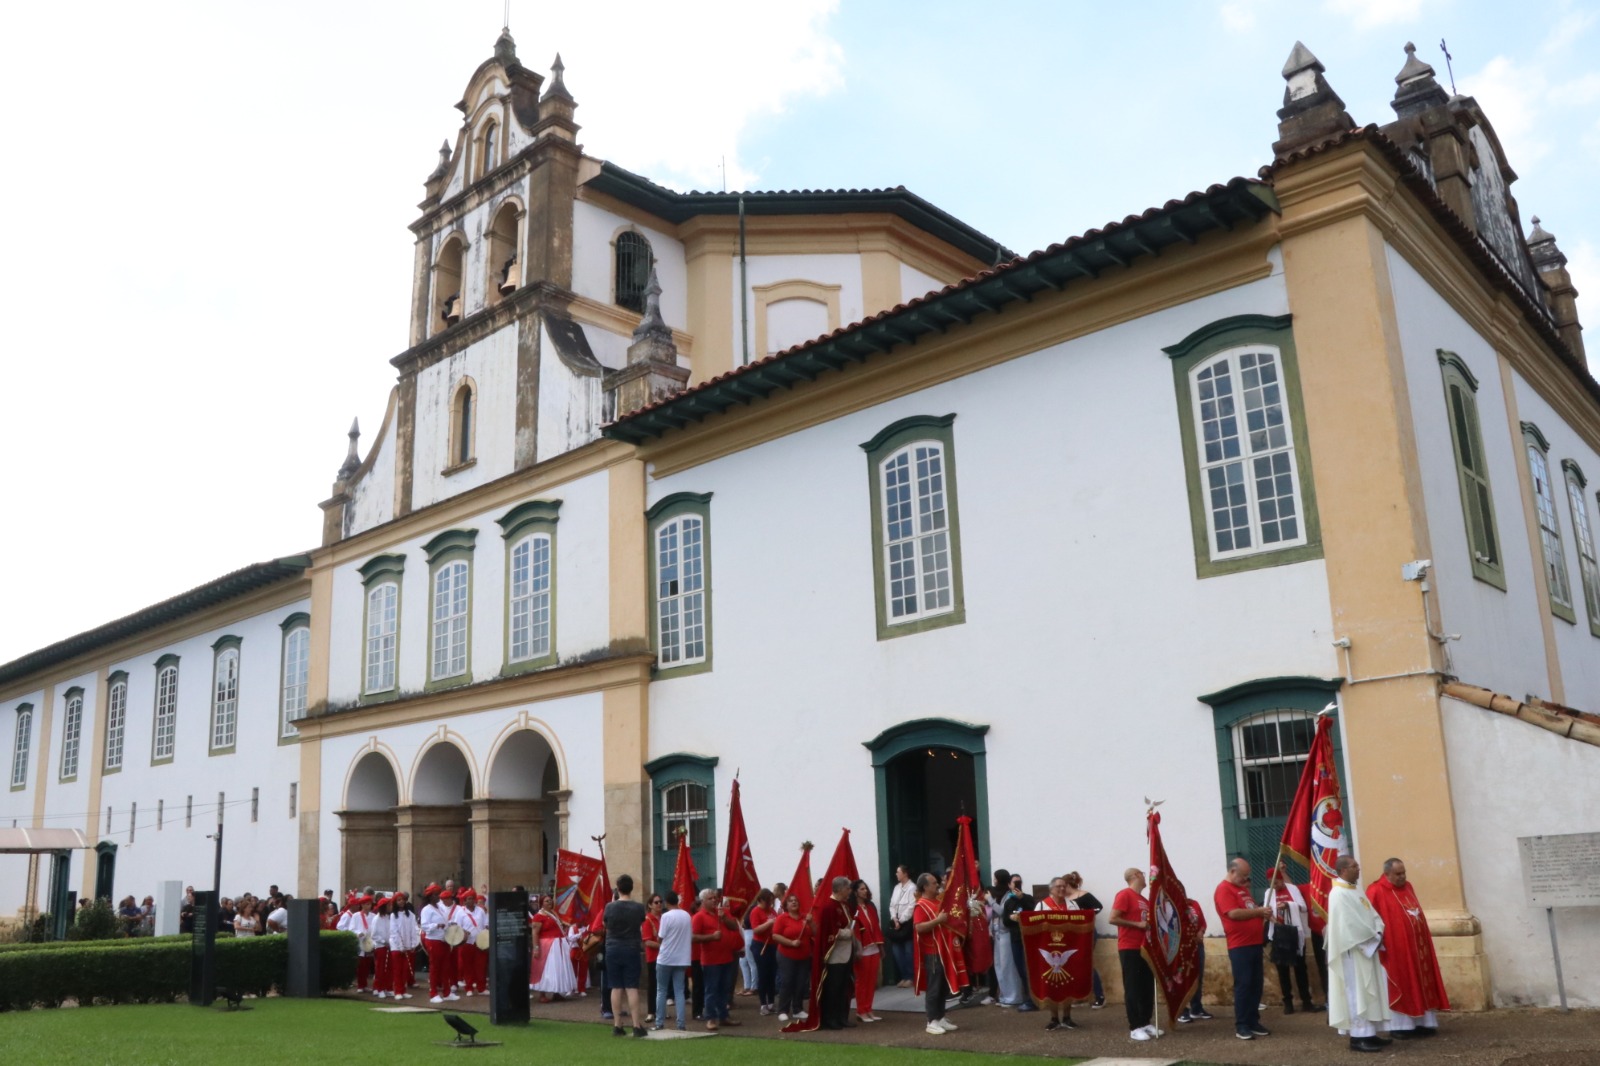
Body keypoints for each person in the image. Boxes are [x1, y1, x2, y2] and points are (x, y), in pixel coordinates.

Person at [1367, 857, 1449, 1038]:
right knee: (1403, 982)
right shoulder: (1376, 890)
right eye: (1398, 874)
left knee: (1420, 981)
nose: (1402, 877)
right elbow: (1369, 919)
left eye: (1404, 873)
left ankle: (1423, 1022)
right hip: (1395, 949)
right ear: (1387, 873)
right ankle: (1400, 1026)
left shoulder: (1408, 887)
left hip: (1418, 947)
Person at [1328, 855, 1392, 1053]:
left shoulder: (1356, 889)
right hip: (1353, 951)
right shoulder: (1338, 894)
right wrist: (1372, 936)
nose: (1359, 868)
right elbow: (1349, 925)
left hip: (1367, 948)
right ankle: (1358, 1037)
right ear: (1343, 870)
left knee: (1368, 990)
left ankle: (1369, 1033)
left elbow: (1372, 915)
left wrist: (1378, 931)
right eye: (1354, 866)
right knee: (1356, 992)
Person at [1214, 858, 1271, 1042]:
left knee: (1256, 985)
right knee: (1244, 985)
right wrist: (1259, 912)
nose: (1246, 879)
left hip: (1254, 944)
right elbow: (1233, 913)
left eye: (1247, 875)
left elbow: (1250, 909)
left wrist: (1262, 913)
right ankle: (1242, 1025)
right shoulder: (1224, 889)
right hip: (1240, 946)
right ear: (1232, 871)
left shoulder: (1243, 890)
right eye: (1243, 875)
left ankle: (1253, 1021)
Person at [1110, 867, 1159, 1041]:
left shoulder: (1144, 900)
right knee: (1133, 987)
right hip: (1129, 947)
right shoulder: (1124, 894)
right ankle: (1135, 1026)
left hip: (1145, 948)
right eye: (1143, 874)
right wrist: (1137, 925)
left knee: (1146, 986)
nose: (1145, 878)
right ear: (1136, 875)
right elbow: (1113, 918)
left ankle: (1146, 1021)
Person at [1265, 866, 1321, 1013]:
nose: (1274, 886)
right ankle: (1287, 1002)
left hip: (1295, 932)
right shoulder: (1268, 892)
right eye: (1271, 883)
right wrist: (1273, 919)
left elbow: (1302, 907)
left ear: (1281, 880)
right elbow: (1265, 911)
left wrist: (1288, 905)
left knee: (1300, 967)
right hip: (1279, 932)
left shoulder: (1292, 889)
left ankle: (1306, 1001)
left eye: (1276, 882)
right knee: (1282, 968)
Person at [1033, 876, 1082, 1031]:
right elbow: (1033, 924)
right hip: (1049, 949)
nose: (1062, 889)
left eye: (1064, 886)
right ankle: (1054, 1018)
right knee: (1051, 984)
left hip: (1068, 947)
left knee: (1069, 983)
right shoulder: (1042, 905)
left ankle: (1067, 1017)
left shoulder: (1073, 905)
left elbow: (1080, 924)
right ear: (1051, 889)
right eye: (1058, 886)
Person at [603, 873, 649, 1038]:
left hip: (613, 947)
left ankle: (617, 1024)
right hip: (631, 947)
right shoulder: (638, 908)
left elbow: (605, 924)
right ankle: (636, 1025)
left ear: (618, 887)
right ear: (631, 888)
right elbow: (641, 924)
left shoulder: (609, 907)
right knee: (631, 987)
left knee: (615, 987)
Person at [913, 871, 958, 1036]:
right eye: (933, 883)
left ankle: (940, 1017)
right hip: (932, 951)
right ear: (925, 886)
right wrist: (938, 920)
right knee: (934, 987)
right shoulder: (921, 905)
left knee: (942, 987)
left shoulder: (937, 902)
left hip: (944, 950)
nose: (937, 884)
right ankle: (931, 1021)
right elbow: (918, 927)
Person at [691, 887, 740, 1032]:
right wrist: (711, 937)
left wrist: (724, 917)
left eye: (715, 898)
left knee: (724, 989)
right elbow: (693, 937)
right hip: (711, 960)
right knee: (711, 989)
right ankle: (711, 1018)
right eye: (710, 898)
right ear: (703, 901)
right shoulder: (699, 917)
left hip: (726, 957)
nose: (714, 900)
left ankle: (724, 1016)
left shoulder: (722, 913)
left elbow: (734, 927)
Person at [1061, 872, 1105, 1011]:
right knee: (1073, 964)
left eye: (1063, 886)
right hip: (1072, 934)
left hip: (1087, 932)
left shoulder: (1083, 895)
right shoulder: (1065, 900)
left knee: (1086, 963)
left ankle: (1100, 996)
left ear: (1068, 885)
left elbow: (1098, 907)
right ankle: (1079, 996)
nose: (1061, 890)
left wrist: (1083, 915)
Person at [1000, 873, 1041, 1012]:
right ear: (1009, 885)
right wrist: (1012, 918)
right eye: (1015, 883)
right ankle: (1028, 997)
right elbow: (1004, 921)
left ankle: (1033, 999)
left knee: (1029, 969)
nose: (1017, 885)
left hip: (1029, 939)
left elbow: (1034, 913)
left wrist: (1022, 899)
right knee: (1021, 970)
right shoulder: (1009, 902)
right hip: (1016, 939)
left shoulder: (1027, 898)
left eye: (1019, 882)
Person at [654, 890, 692, 1031]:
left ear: (666, 902)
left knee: (661, 990)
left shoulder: (666, 916)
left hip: (666, 957)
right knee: (679, 991)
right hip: (682, 957)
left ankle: (659, 1022)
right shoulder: (687, 915)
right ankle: (681, 1024)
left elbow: (660, 937)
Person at [771, 890, 811, 1021]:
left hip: (804, 956)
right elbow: (775, 935)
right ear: (786, 905)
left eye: (796, 901)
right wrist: (791, 943)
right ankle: (782, 1009)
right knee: (787, 981)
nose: (794, 902)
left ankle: (798, 1009)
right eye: (790, 901)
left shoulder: (805, 917)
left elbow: (815, 932)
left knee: (801, 982)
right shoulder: (782, 918)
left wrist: (810, 923)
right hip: (786, 955)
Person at [530, 895, 577, 1000]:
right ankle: (542, 994)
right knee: (546, 970)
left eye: (550, 901)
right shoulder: (538, 916)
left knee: (558, 969)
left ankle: (557, 992)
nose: (549, 902)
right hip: (547, 946)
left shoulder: (554, 913)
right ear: (541, 903)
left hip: (558, 945)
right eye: (547, 901)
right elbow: (535, 933)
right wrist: (536, 948)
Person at [419, 885, 461, 1003]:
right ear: (430, 896)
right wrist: (436, 925)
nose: (438, 897)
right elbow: (424, 926)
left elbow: (445, 922)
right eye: (436, 894)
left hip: (443, 940)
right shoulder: (426, 909)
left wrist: (450, 926)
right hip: (433, 940)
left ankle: (447, 992)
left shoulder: (439, 908)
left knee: (445, 967)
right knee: (435, 967)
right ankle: (433, 993)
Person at [1176, 896, 1215, 1023]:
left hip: (1197, 946)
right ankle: (1181, 1010)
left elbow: (1202, 922)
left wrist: (1201, 931)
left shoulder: (1194, 904)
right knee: (1182, 978)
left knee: (1198, 976)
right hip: (1181, 948)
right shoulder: (1172, 906)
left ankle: (1196, 1008)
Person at [988, 869, 1023, 1008]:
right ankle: (1004, 995)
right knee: (999, 965)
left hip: (1006, 933)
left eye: (996, 879)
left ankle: (1013, 996)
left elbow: (1002, 911)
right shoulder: (998, 894)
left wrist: (990, 901)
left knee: (1008, 965)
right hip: (997, 933)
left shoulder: (1009, 895)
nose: (994, 881)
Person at [852, 880, 884, 1023]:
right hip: (862, 949)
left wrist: (881, 946)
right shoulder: (853, 909)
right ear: (855, 892)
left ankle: (869, 1008)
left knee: (871, 981)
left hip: (873, 947)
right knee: (862, 981)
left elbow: (876, 926)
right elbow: (854, 930)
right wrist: (858, 948)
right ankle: (861, 1010)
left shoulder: (870, 907)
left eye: (866, 888)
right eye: (862, 889)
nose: (865, 891)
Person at [746, 888, 778, 1015]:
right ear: (760, 900)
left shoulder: (772, 911)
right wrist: (769, 923)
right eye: (767, 901)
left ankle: (771, 1002)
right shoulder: (756, 911)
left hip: (772, 944)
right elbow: (756, 930)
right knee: (763, 974)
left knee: (772, 974)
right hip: (760, 945)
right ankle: (763, 1003)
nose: (770, 904)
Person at [887, 864, 917, 986]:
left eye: (898, 872)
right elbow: (892, 905)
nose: (896, 874)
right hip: (896, 923)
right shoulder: (896, 887)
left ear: (905, 873)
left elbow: (911, 906)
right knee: (897, 951)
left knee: (908, 951)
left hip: (906, 923)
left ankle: (910, 976)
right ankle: (903, 976)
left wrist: (901, 920)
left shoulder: (912, 887)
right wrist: (895, 919)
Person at [388, 891, 419, 999]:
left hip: (408, 946)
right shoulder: (393, 916)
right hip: (397, 947)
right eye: (399, 900)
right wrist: (400, 945)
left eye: (402, 900)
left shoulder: (410, 915)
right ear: (396, 902)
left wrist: (413, 943)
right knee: (397, 969)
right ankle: (397, 991)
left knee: (405, 969)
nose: (401, 902)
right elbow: (394, 931)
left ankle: (403, 990)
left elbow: (414, 929)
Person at [641, 892, 663, 1023]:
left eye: (660, 901)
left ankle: (660, 1010)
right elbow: (647, 941)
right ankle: (651, 1011)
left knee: (663, 985)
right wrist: (663, 946)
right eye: (656, 902)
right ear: (650, 905)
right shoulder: (647, 920)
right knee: (653, 985)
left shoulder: (663, 918)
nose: (659, 904)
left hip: (664, 956)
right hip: (653, 957)